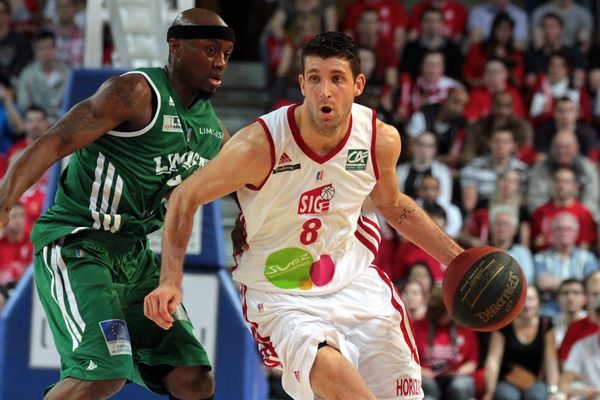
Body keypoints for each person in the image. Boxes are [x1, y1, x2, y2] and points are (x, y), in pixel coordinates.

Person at [145, 31, 465, 400]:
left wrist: (458, 260)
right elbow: (185, 196)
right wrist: (170, 280)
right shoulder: (260, 144)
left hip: (355, 284)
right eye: (314, 78)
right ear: (301, 83)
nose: (324, 90)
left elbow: (393, 205)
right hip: (282, 294)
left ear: (358, 85)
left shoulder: (379, 139)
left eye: (336, 79)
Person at [0, 8, 234, 400]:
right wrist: (5, 200)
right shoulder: (136, 93)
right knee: (102, 374)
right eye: (210, 49)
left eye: (227, 53)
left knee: (194, 380)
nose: (220, 62)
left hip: (136, 258)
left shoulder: (213, 132)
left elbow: (238, 194)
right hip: (80, 244)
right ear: (175, 46)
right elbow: (55, 140)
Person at [483, 285, 560, 400]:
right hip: (507, 380)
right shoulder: (503, 325)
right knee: (507, 396)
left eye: (531, 299)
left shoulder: (545, 324)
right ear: (514, 303)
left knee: (537, 396)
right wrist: (490, 391)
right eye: (522, 300)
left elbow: (551, 360)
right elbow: (493, 360)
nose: (527, 305)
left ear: (538, 301)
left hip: (535, 380)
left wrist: (554, 389)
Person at [412, 287, 479, 400]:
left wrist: (458, 372)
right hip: (428, 376)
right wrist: (422, 371)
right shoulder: (418, 326)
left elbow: (472, 362)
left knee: (459, 387)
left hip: (456, 375)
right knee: (428, 389)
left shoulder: (463, 327)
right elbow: (409, 361)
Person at [553, 278, 587, 347]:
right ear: (558, 298)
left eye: (576, 293)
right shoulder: (552, 325)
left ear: (585, 298)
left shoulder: (594, 323)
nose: (570, 298)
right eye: (565, 293)